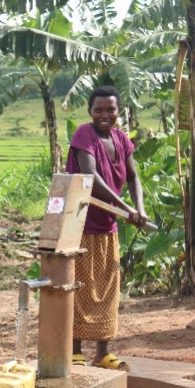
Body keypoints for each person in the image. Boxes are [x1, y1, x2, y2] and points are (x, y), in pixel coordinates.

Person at [65, 85, 148, 371]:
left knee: (107, 286)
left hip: (108, 227)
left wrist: (140, 208)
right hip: (80, 223)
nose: (105, 114)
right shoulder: (83, 135)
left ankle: (102, 352)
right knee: (80, 286)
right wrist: (126, 208)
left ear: (118, 111)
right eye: (98, 109)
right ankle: (74, 350)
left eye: (110, 109)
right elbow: (90, 177)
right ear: (90, 112)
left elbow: (135, 176)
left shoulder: (122, 140)